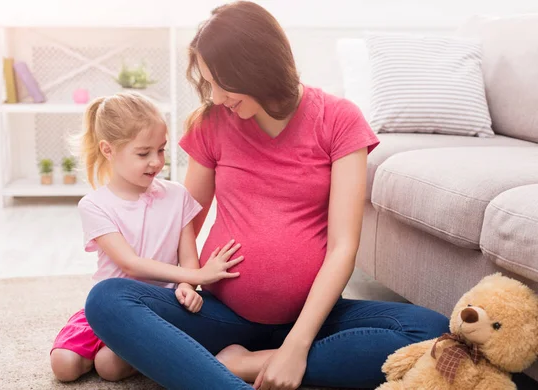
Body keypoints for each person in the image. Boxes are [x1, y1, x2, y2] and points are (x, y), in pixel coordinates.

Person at [84, 2, 450, 389]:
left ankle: (241, 364)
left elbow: (344, 246)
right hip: (219, 314)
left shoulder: (339, 120)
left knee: (433, 333)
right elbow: (181, 224)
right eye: (208, 82)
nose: (216, 96)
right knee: (107, 299)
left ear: (255, 68)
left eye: (221, 82)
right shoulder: (212, 123)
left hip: (314, 318)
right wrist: (181, 286)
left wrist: (296, 345)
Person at [49, 91, 243, 382]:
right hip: (109, 307)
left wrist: (188, 283)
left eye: (161, 150)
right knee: (63, 366)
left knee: (109, 367)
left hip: (156, 307)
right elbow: (130, 264)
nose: (156, 162)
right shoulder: (94, 205)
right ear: (108, 150)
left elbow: (187, 257)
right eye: (143, 153)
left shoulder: (176, 196)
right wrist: (203, 276)